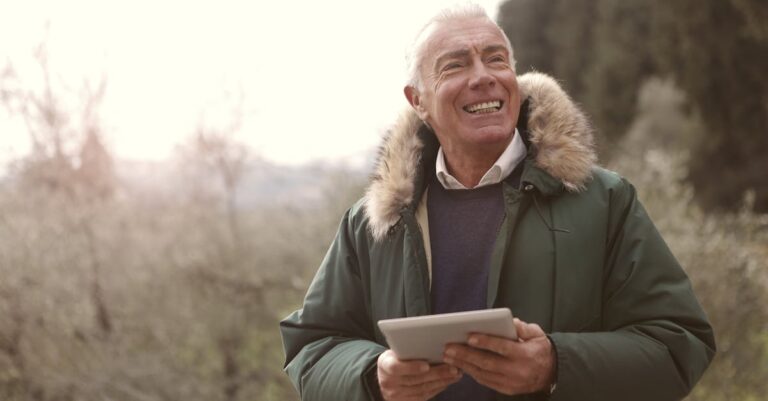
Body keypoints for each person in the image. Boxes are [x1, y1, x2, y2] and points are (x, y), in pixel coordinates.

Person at [280, 4, 715, 401]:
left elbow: (679, 343)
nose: (483, 76)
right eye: (455, 65)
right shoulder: (373, 223)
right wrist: (372, 376)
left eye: (496, 59)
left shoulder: (604, 201)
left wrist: (557, 365)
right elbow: (312, 345)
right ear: (418, 101)